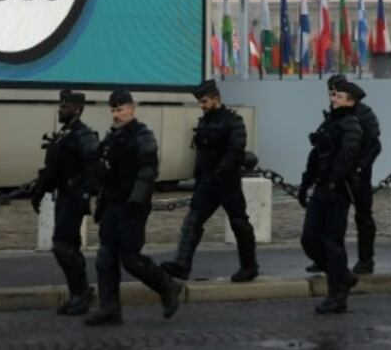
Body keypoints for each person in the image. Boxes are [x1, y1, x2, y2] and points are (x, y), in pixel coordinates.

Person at [85, 91, 183, 326]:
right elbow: (102, 169)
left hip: (132, 206)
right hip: (111, 203)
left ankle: (167, 287)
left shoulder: (143, 136)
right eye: (113, 110)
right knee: (105, 256)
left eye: (120, 109)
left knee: (130, 258)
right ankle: (110, 308)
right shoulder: (111, 137)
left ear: (131, 109)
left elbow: (148, 170)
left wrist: (135, 201)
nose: (116, 115)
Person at [162, 80, 259, 282]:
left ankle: (249, 267)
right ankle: (181, 265)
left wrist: (218, 174)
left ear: (216, 99)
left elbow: (235, 150)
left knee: (239, 223)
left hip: (227, 183)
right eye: (200, 102)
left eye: (205, 101)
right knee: (192, 222)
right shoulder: (204, 121)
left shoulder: (234, 121)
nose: (202, 105)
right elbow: (201, 155)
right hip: (207, 183)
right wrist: (199, 179)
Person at [30, 90, 100, 316]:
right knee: (65, 245)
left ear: (77, 109)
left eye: (65, 106)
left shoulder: (83, 134)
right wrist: (39, 190)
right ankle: (79, 292)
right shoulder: (65, 133)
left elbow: (93, 167)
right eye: (61, 105)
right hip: (64, 195)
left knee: (63, 245)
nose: (61, 109)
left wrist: (84, 194)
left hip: (74, 196)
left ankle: (81, 292)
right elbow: (53, 168)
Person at [298, 79, 364, 313]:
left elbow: (348, 156)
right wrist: (305, 184)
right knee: (309, 239)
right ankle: (343, 275)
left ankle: (337, 295)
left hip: (338, 191)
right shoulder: (328, 123)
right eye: (333, 95)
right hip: (321, 188)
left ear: (350, 100)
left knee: (332, 243)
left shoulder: (351, 124)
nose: (334, 98)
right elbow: (315, 156)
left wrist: (335, 180)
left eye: (339, 96)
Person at [320, 74, 382, 275]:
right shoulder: (334, 112)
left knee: (363, 216)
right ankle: (328, 258)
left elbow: (374, 144)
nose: (332, 99)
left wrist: (359, 168)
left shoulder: (365, 114)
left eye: (335, 94)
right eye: (330, 94)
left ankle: (366, 260)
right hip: (338, 173)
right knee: (333, 217)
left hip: (358, 174)